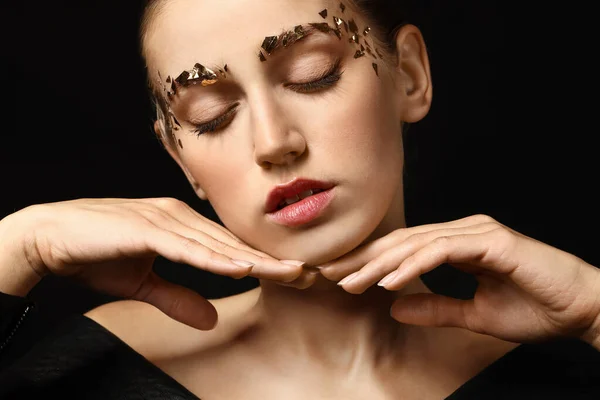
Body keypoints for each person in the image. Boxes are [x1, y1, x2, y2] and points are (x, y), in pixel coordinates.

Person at [1, 0, 599, 399]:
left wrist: (596, 313)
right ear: (182, 161)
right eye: (211, 117)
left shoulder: (560, 365)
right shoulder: (98, 365)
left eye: (313, 75)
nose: (273, 143)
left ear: (410, 76)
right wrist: (16, 247)